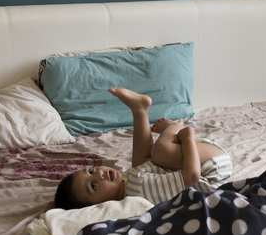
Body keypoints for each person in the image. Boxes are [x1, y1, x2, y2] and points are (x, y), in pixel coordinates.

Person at [54, 88, 232, 208]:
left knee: (141, 163)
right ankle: (174, 127)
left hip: (205, 162)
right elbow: (192, 176)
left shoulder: (129, 185)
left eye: (91, 171)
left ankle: (140, 110)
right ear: (100, 206)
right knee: (159, 152)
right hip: (213, 167)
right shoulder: (140, 190)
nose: (99, 175)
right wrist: (187, 138)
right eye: (93, 186)